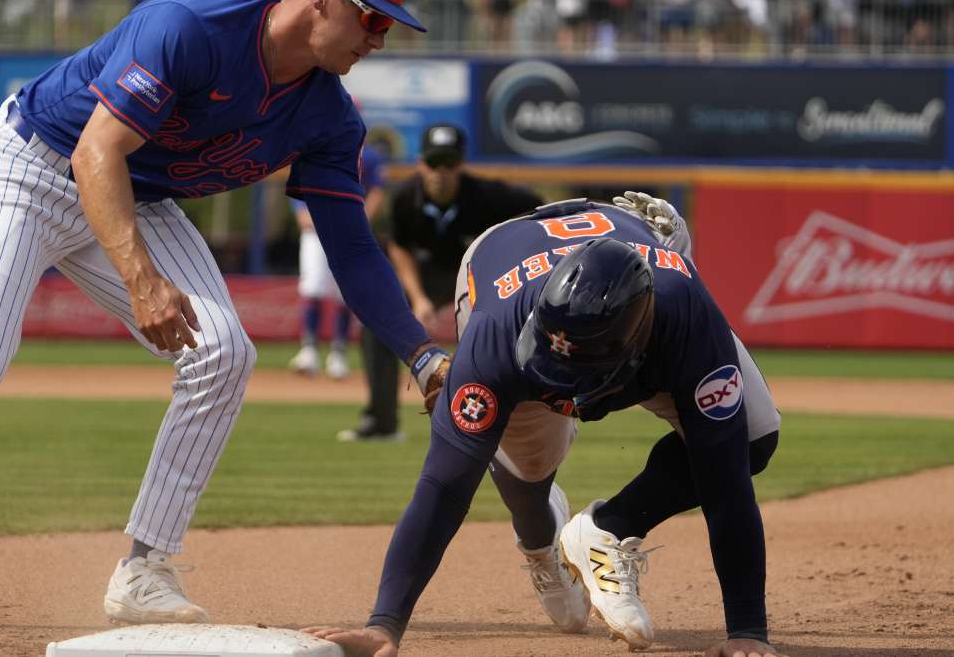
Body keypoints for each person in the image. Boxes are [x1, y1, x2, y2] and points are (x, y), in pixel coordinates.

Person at [0, 0, 452, 628]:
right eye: (373, 18)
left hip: (138, 199)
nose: (380, 37)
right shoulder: (189, 29)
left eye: (389, 25)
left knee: (225, 353)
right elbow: (94, 153)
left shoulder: (330, 116)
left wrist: (422, 357)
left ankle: (145, 568)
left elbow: (352, 248)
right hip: (32, 166)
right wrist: (143, 279)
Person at [306, 194, 789, 657]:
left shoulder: (688, 321)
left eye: (578, 373)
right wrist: (383, 624)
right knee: (528, 471)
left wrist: (747, 629)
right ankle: (543, 548)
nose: (564, 390)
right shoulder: (494, 338)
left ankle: (607, 527)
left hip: (649, 299)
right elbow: (445, 484)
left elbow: (724, 479)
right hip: (502, 265)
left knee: (750, 437)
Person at [339, 123, 540, 442]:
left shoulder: (489, 195)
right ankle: (382, 421)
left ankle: (514, 417)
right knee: (377, 326)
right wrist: (418, 298)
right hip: (427, 273)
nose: (440, 172)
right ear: (421, 163)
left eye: (449, 163)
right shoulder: (405, 197)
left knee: (502, 329)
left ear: (461, 164)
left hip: (480, 274)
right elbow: (399, 247)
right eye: (434, 162)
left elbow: (538, 210)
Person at [288, 141, 388, 379]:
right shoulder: (309, 150)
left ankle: (339, 354)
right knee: (313, 289)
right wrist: (303, 215)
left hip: (349, 231)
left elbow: (378, 189)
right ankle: (309, 350)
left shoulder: (368, 155)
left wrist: (360, 221)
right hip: (315, 230)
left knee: (345, 293)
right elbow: (297, 190)